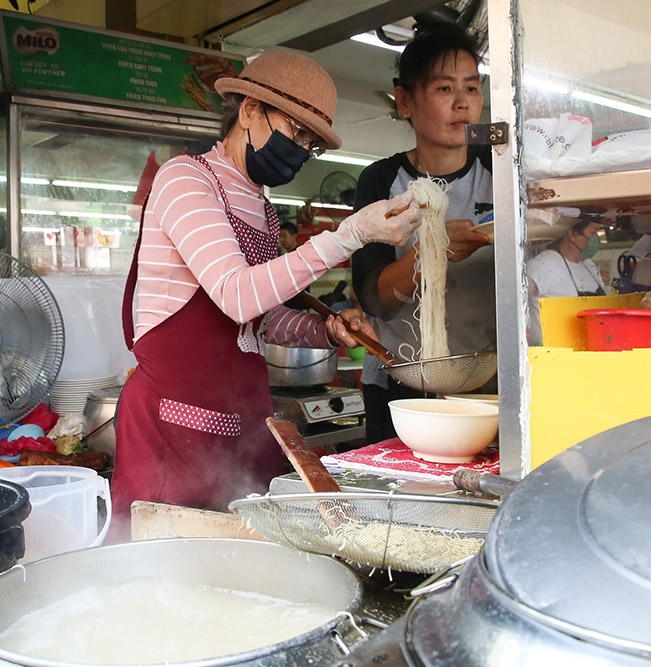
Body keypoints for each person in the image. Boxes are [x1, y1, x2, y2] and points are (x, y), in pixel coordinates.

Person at [112, 50, 422, 537]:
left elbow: (257, 321)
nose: (300, 149)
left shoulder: (260, 205)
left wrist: (323, 331)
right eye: (296, 130)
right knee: (167, 580)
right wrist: (348, 236)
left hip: (244, 427)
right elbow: (236, 295)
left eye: (312, 142)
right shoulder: (185, 180)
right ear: (249, 109)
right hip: (174, 428)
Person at [352, 22, 495, 445]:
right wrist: (434, 251)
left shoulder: (500, 169)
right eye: (445, 89)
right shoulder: (382, 182)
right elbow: (375, 298)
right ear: (405, 100)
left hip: (485, 383)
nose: (463, 104)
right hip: (402, 383)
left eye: (472, 88)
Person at [526, 218, 607, 346]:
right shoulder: (542, 265)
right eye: (592, 233)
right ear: (572, 234)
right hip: (553, 356)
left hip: (592, 352)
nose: (595, 240)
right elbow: (515, 303)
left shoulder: (589, 266)